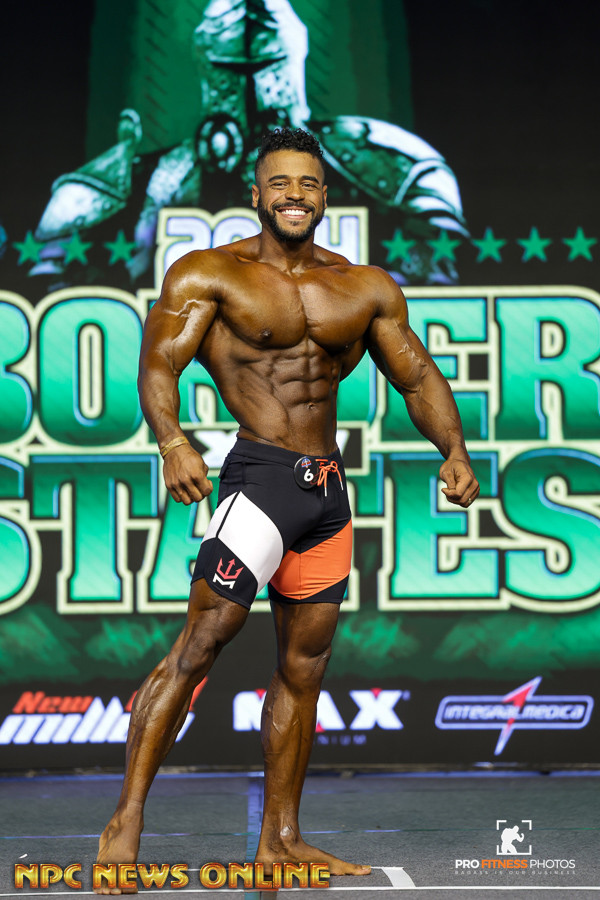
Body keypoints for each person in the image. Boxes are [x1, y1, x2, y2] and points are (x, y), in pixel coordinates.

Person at [95, 127, 479, 892]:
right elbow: (159, 360)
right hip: (259, 482)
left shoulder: (364, 286)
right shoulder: (210, 273)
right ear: (256, 194)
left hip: (325, 494)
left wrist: (456, 450)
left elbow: (416, 377)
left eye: (307, 183)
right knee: (200, 646)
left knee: (304, 670)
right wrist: (172, 441)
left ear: (325, 195)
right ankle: (125, 823)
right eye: (280, 183)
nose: (294, 195)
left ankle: (282, 841)